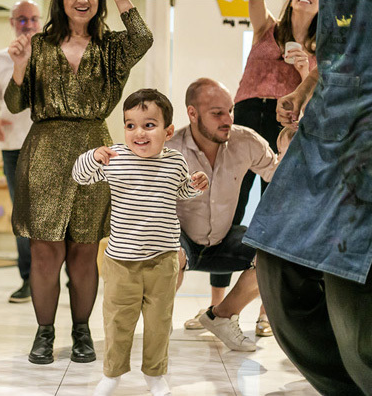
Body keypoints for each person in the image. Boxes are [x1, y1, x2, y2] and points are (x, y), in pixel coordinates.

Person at [4, 0, 152, 365]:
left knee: (85, 249)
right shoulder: (38, 45)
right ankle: (44, 332)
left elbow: (143, 37)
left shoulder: (112, 46)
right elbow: (14, 103)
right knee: (44, 251)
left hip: (95, 151)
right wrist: (19, 65)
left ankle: (81, 331)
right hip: (44, 154)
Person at [244, 1, 372, 393]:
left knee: (347, 277)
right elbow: (338, 58)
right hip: (326, 126)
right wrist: (304, 89)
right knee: (276, 259)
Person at [72, 89, 208, 396]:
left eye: (149, 125)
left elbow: (182, 191)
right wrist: (92, 157)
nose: (139, 133)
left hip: (163, 259)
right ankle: (112, 374)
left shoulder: (175, 161)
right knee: (118, 321)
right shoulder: (115, 157)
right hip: (121, 260)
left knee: (159, 321)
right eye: (130, 125)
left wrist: (195, 185)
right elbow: (80, 176)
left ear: (168, 132)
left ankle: (155, 374)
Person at [167, 78, 278, 352]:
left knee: (273, 256)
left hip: (222, 240)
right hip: (181, 241)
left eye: (230, 111)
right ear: (192, 113)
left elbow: (280, 177)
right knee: (170, 252)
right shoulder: (170, 149)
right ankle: (159, 321)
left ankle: (222, 316)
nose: (227, 119)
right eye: (217, 113)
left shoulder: (246, 141)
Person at [231, 0, 316, 226]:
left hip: (282, 122)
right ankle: (224, 244)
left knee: (274, 192)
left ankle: (266, 245)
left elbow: (311, 101)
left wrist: (304, 71)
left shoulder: (320, 48)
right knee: (234, 185)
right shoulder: (268, 27)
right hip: (245, 114)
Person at [0, 0, 41, 304]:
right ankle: (28, 279)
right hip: (14, 148)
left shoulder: (54, 55)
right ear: (12, 23)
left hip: (49, 146)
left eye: (33, 19)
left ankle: (66, 277)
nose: (28, 25)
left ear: (41, 22)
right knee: (23, 217)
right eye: (21, 19)